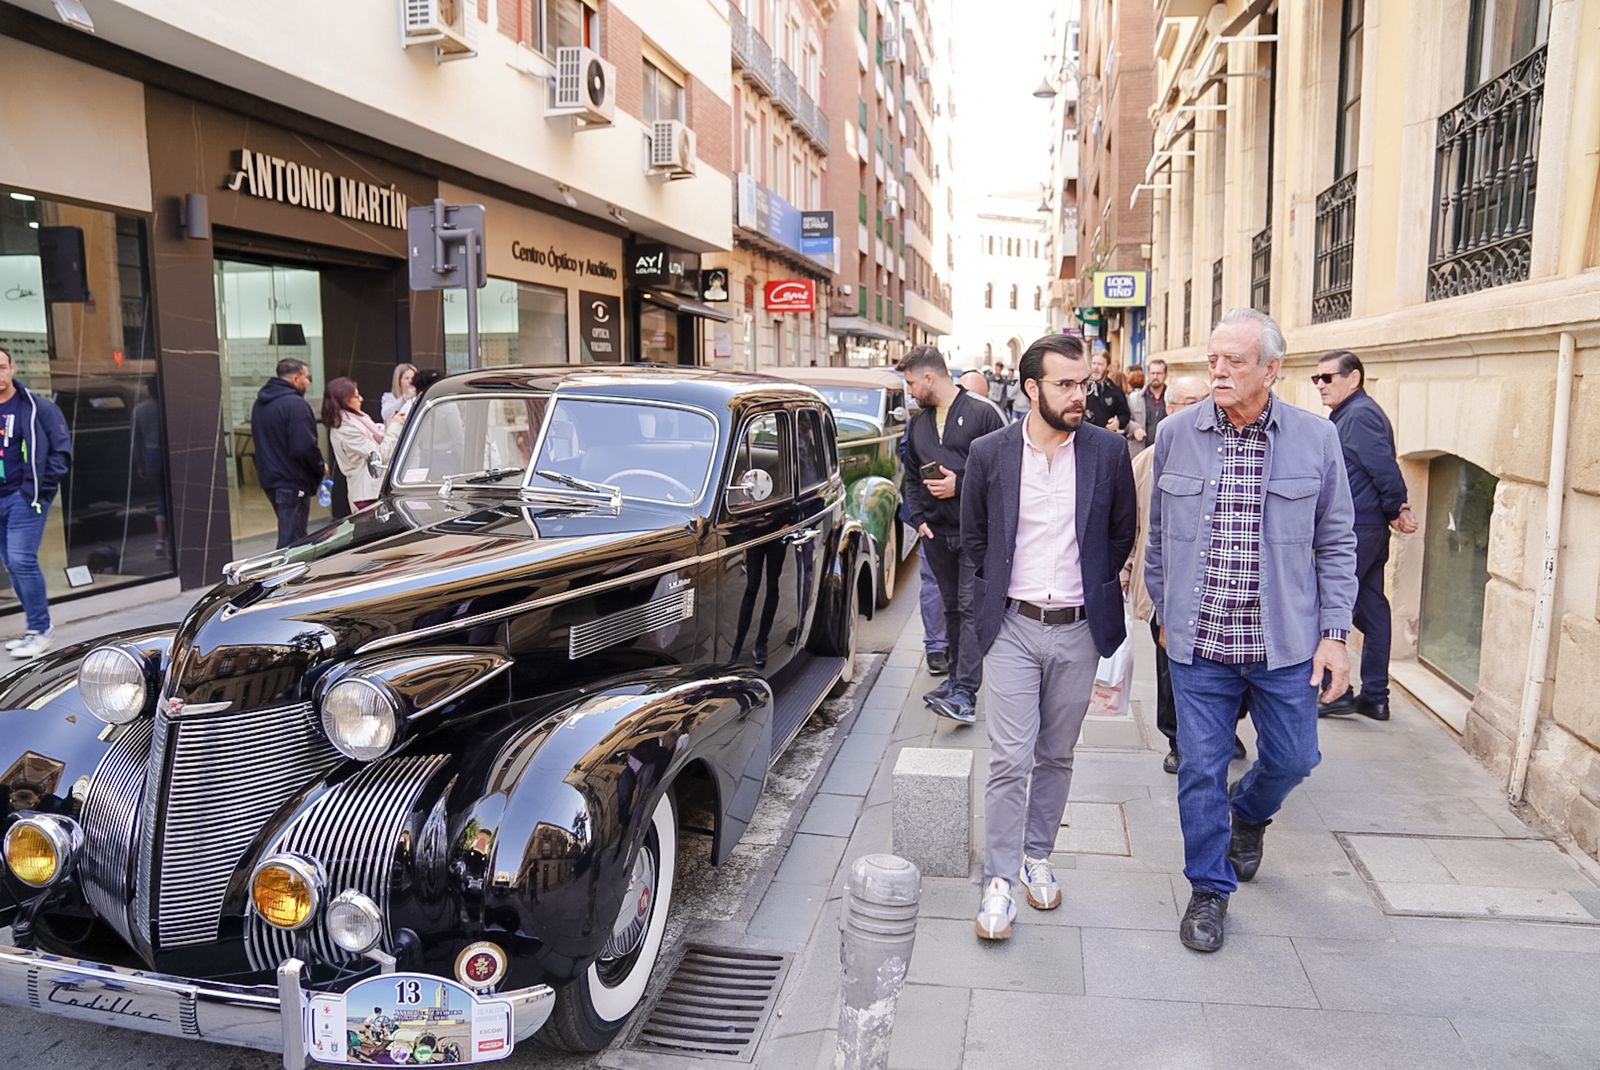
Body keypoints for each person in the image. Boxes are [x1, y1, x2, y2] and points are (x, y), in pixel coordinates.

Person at [1146, 306, 1357, 954]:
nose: (1218, 370)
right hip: (1201, 646)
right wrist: (1163, 609)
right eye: (1213, 358)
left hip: (1284, 643)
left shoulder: (1315, 439)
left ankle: (1251, 814)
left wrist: (1335, 635)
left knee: (1296, 758)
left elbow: (1338, 541)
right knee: (1200, 769)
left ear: (1272, 369)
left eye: (1233, 360)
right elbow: (1156, 538)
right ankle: (1209, 890)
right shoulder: (1177, 433)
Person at [961, 332, 1136, 939]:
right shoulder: (990, 453)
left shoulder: (1107, 454)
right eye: (1065, 384)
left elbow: (1120, 537)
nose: (1078, 395)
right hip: (1012, 626)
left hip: (1080, 630)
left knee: (1056, 754)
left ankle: (1039, 856)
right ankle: (1001, 880)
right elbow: (976, 542)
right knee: (1010, 757)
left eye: (1083, 383)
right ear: (1031, 388)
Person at [1128, 375, 1248, 773]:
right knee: (1170, 670)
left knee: (1227, 667)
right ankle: (1177, 739)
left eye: (1205, 399)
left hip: (1220, 590)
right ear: (1171, 411)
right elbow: (1133, 526)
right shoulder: (1146, 462)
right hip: (1168, 589)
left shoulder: (1227, 453)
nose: (1201, 408)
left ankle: (1221, 729)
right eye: (1190, 402)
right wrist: (1128, 572)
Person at [900, 345, 1004, 724]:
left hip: (976, 533)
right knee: (952, 611)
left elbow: (1006, 472)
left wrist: (960, 485)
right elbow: (911, 475)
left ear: (930, 377)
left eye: (911, 382)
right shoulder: (918, 423)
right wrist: (919, 518)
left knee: (969, 608)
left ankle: (965, 693)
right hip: (937, 534)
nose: (909, 390)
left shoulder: (982, 413)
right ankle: (956, 681)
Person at [1313, 349, 1418, 721]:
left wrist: (1397, 506)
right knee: (1372, 611)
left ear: (1353, 378)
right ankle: (1375, 696)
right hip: (1363, 525)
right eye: (1317, 379)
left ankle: (1332, 691)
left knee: (1327, 600)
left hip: (1359, 527)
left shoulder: (1359, 416)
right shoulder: (1348, 415)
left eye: (1328, 378)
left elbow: (1383, 467)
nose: (1321, 385)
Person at [0, 346, 72, 659]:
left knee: (21, 560)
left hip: (23, 498)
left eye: (2, 366)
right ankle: (33, 629)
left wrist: (37, 491)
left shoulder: (35, 407)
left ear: (12, 368)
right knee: (11, 565)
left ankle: (42, 629)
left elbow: (61, 451)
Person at [251, 358, 325, 548]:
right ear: (296, 378)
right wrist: (319, 466)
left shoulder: (260, 404)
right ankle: (283, 576)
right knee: (293, 541)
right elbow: (304, 447)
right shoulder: (295, 405)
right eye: (306, 377)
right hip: (292, 481)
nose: (308, 382)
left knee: (292, 534)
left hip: (272, 479)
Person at [323, 377, 404, 511]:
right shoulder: (346, 427)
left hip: (374, 490)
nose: (361, 399)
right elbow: (380, 454)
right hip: (367, 495)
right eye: (356, 396)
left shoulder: (357, 420)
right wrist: (395, 426)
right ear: (345, 400)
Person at [1127, 358, 1169, 456]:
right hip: (1140, 452)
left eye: (1159, 373)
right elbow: (1125, 420)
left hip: (1165, 452)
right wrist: (1135, 428)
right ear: (1148, 375)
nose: (1155, 376)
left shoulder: (1172, 398)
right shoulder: (1135, 398)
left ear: (1166, 375)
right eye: (1152, 373)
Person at [1084, 350, 1131, 432]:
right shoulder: (1082, 388)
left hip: (1105, 437)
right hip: (1084, 435)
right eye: (1094, 363)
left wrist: (1118, 422)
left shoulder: (1115, 391)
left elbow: (1125, 415)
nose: (1096, 367)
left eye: (1100, 364)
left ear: (1108, 367)